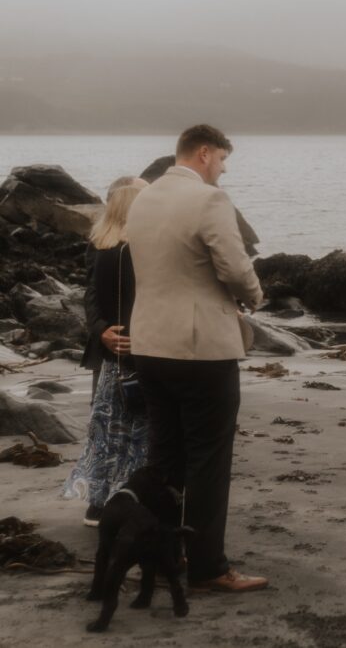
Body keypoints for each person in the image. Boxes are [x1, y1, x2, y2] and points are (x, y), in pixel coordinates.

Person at [125, 124, 267, 592]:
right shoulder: (209, 200)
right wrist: (254, 296)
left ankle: (160, 551)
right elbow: (232, 265)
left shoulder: (143, 198)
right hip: (200, 347)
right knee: (208, 457)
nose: (223, 170)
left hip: (148, 343)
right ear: (204, 153)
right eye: (223, 160)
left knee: (165, 455)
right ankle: (208, 566)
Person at [64, 177, 149, 526]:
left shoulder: (112, 243)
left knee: (118, 420)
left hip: (125, 344)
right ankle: (105, 500)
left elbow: (96, 296)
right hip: (121, 346)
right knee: (116, 423)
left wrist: (107, 332)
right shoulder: (105, 245)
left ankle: (113, 498)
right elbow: (92, 294)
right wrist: (102, 332)